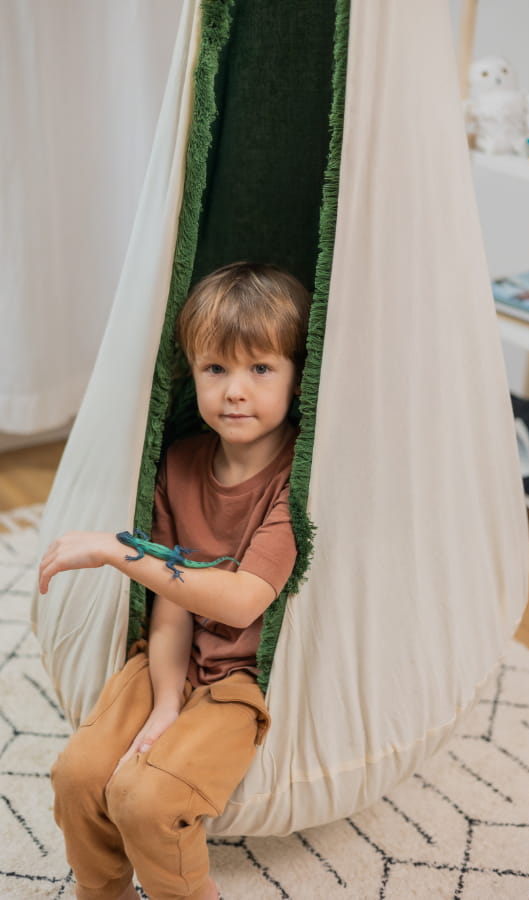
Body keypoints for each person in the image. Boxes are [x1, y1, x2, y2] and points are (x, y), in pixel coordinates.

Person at [38, 261, 312, 900]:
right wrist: (165, 701)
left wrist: (117, 551)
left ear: (298, 377)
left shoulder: (297, 479)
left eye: (260, 369)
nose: (235, 391)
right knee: (78, 776)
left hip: (238, 684)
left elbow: (242, 601)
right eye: (215, 368)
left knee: (147, 800)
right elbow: (171, 605)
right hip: (169, 660)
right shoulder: (180, 463)